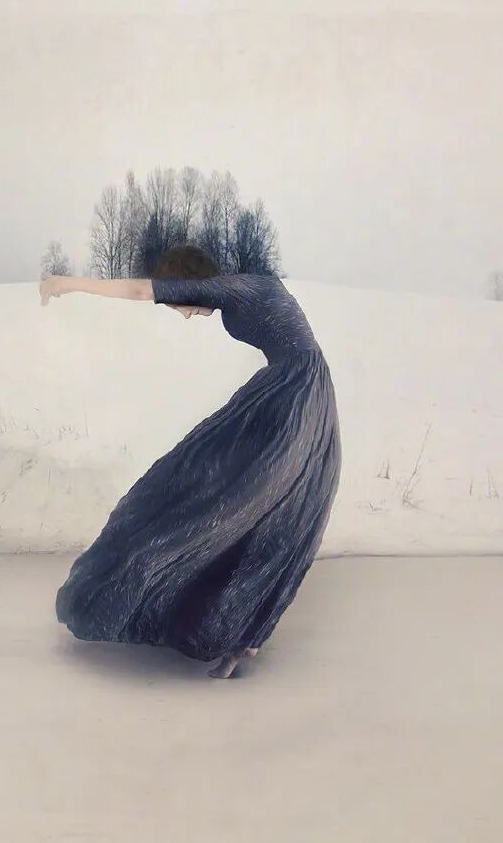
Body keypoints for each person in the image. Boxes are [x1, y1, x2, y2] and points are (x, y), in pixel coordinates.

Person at [41, 244, 342, 679]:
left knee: (243, 502)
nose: (183, 314)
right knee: (235, 494)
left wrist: (67, 283)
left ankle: (238, 629)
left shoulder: (238, 289)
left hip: (294, 395)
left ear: (192, 284)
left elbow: (140, 291)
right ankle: (240, 629)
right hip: (291, 391)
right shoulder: (243, 290)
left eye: (180, 303)